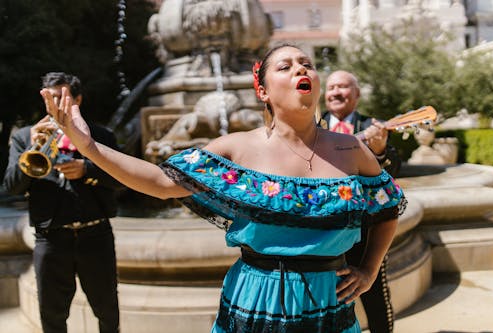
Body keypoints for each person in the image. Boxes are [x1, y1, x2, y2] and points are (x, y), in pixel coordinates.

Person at [41, 45, 405, 333]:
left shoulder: (350, 150)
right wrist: (87, 146)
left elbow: (387, 209)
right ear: (262, 90)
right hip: (255, 299)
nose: (301, 69)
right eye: (286, 66)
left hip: (330, 300)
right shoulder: (236, 148)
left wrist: (370, 270)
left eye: (306, 63)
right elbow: (159, 183)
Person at [3, 72, 122, 333]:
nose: (56, 104)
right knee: (52, 315)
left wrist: (87, 169)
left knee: (108, 312)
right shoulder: (25, 137)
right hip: (51, 238)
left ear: (77, 99)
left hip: (96, 235)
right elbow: (11, 186)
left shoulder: (101, 134)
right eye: (51, 98)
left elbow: (122, 181)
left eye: (63, 97)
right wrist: (31, 149)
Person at [322, 70, 402, 333]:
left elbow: (394, 172)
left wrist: (378, 152)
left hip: (365, 230)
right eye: (331, 87)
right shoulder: (311, 126)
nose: (336, 92)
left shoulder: (375, 126)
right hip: (323, 232)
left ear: (356, 95)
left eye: (343, 87)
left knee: (376, 298)